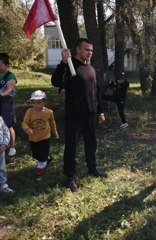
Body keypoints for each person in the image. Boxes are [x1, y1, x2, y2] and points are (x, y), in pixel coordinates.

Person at [51, 38, 106, 192]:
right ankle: (69, 177)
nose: (90, 53)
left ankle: (92, 168)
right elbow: (55, 82)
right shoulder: (70, 66)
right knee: (71, 147)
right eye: (87, 50)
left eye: (91, 50)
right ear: (78, 50)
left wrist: (100, 111)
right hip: (74, 116)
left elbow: (97, 92)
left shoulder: (90, 69)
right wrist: (62, 63)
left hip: (90, 114)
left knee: (91, 144)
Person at [22, 90, 59, 181]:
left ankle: (39, 172)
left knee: (41, 157)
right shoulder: (29, 111)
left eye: (39, 103)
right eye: (34, 103)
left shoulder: (49, 112)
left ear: (44, 102)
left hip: (45, 137)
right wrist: (27, 129)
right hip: (33, 138)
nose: (36, 105)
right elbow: (24, 123)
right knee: (35, 155)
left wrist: (55, 132)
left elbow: (52, 122)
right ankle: (47, 158)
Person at [0, 53, 17, 157]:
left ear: (7, 65)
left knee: (8, 125)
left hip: (5, 104)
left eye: (0, 65)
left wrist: (1, 94)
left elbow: (9, 89)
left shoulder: (10, 76)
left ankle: (12, 147)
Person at [0, 116, 13, 193]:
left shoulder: (0, 119)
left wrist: (4, 144)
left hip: (0, 148)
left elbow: (5, 132)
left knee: (1, 167)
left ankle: (3, 184)